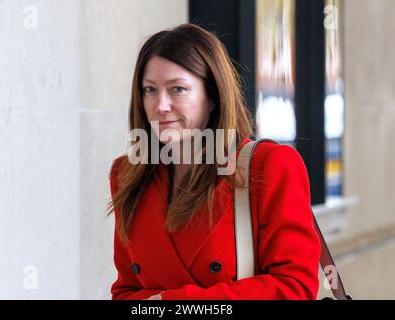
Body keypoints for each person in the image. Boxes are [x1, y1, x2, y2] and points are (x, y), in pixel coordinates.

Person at [108, 23, 320, 300]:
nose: (160, 106)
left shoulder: (268, 165)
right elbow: (125, 290)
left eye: (178, 89)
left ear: (213, 97)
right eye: (150, 89)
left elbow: (295, 288)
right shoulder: (127, 174)